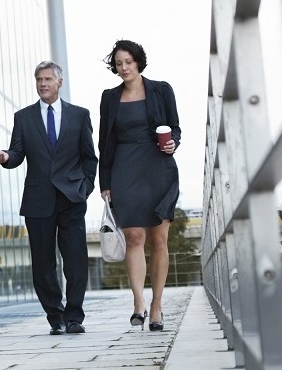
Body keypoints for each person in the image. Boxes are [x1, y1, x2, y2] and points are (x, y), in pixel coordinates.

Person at [0, 61, 98, 335]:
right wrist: (5, 157)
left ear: (59, 82)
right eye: (39, 79)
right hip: (38, 199)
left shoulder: (79, 115)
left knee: (75, 260)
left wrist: (85, 188)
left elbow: (89, 157)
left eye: (48, 79)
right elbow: (17, 153)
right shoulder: (23, 117)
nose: (43, 84)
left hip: (72, 197)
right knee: (43, 263)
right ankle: (55, 317)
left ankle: (74, 316)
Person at [98, 40, 180, 332]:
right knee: (133, 237)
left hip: (158, 167)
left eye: (128, 62)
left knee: (159, 239)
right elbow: (104, 142)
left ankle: (157, 305)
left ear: (138, 62)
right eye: (119, 63)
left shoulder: (161, 89)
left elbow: (175, 128)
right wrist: (104, 182)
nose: (124, 68)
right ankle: (138, 303)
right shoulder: (109, 97)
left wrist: (173, 143)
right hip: (124, 169)